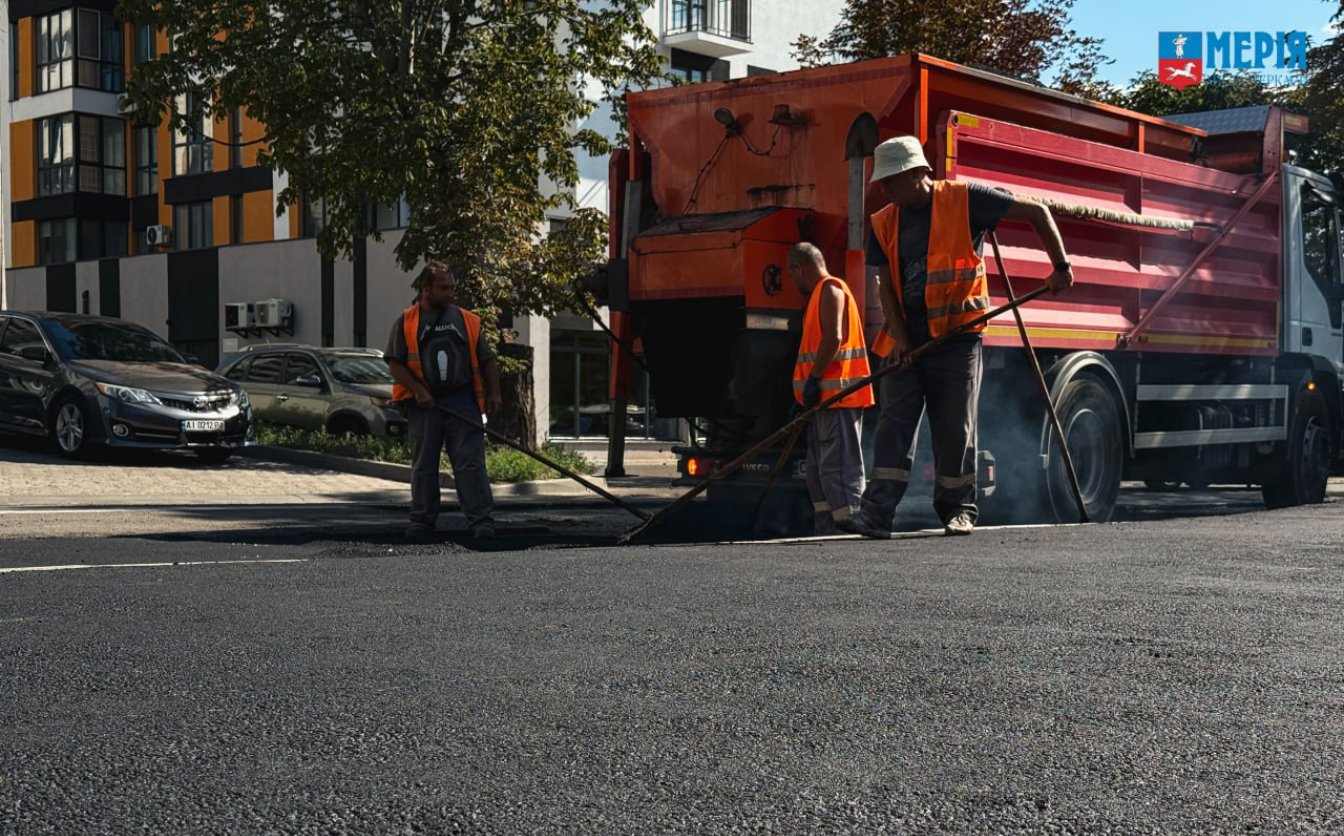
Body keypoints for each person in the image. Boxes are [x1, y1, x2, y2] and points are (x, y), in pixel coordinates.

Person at [838, 135, 1073, 539]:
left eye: (891, 180)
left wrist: (1061, 266)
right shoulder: (883, 222)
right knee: (895, 426)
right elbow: (886, 288)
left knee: (955, 428)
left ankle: (958, 509)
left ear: (917, 173)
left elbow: (1037, 211)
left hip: (956, 339)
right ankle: (877, 515)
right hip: (906, 341)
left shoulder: (965, 199)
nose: (885, 189)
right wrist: (901, 340)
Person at [386, 263, 503, 541]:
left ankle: (481, 521)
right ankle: (422, 522)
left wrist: (494, 393)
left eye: (452, 287)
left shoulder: (467, 321)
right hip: (424, 406)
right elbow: (395, 363)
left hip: (463, 401)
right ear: (425, 288)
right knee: (424, 465)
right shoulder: (407, 321)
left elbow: (487, 360)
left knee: (470, 463)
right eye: (444, 288)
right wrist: (418, 390)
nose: (450, 293)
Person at [788, 242, 875, 535]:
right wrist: (803, 394)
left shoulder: (830, 289)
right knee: (821, 471)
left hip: (838, 399)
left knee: (838, 468)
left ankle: (849, 525)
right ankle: (828, 528)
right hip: (823, 402)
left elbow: (833, 338)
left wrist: (813, 379)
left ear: (799, 269)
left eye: (793, 275)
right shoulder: (819, 296)